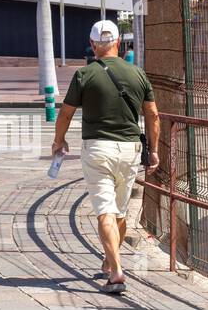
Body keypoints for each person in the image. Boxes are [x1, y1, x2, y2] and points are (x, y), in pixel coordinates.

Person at [52, 20, 160, 295]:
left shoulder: (84, 74)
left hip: (98, 149)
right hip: (129, 150)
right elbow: (153, 115)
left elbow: (65, 113)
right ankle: (110, 261)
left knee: (105, 212)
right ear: (119, 44)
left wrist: (59, 140)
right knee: (120, 213)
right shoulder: (138, 74)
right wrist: (155, 150)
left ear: (92, 45)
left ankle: (117, 272)